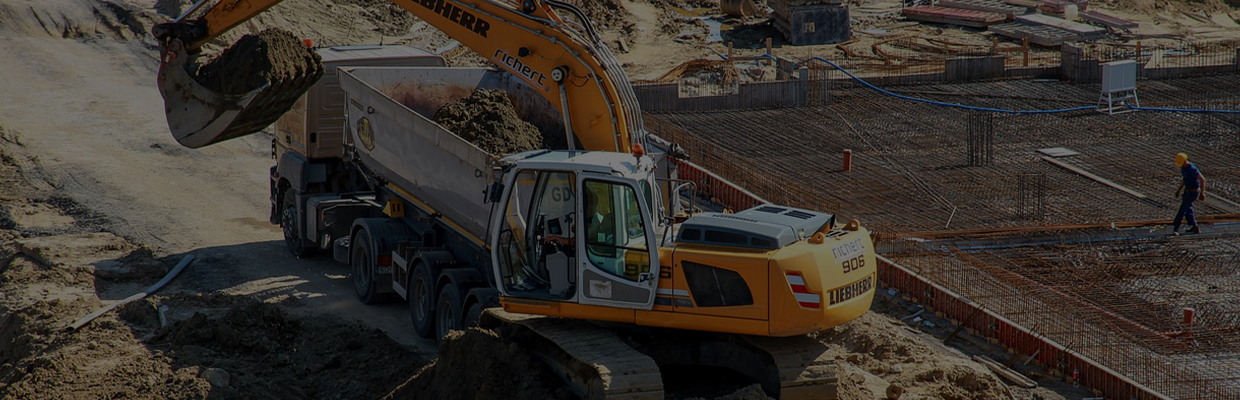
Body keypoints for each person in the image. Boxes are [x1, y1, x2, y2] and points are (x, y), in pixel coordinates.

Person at [1172, 152, 1205, 235]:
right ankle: (1194, 227)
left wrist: (1202, 193)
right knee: (1188, 209)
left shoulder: (1192, 169)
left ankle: (1176, 228)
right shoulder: (1183, 168)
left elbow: (1202, 179)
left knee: (1182, 209)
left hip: (1193, 192)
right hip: (1187, 191)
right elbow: (1185, 179)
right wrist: (1179, 190)